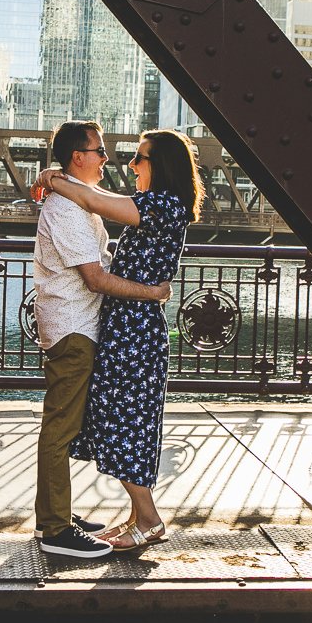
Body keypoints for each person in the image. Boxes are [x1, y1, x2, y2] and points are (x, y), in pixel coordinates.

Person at [34, 129, 204, 551]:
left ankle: (147, 520)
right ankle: (136, 518)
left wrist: (52, 178)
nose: (129, 165)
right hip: (124, 327)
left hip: (135, 332)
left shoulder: (163, 205)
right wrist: (55, 177)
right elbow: (97, 202)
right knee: (122, 421)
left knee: (128, 423)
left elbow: (95, 200)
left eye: (140, 158)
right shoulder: (155, 205)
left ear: (160, 165)